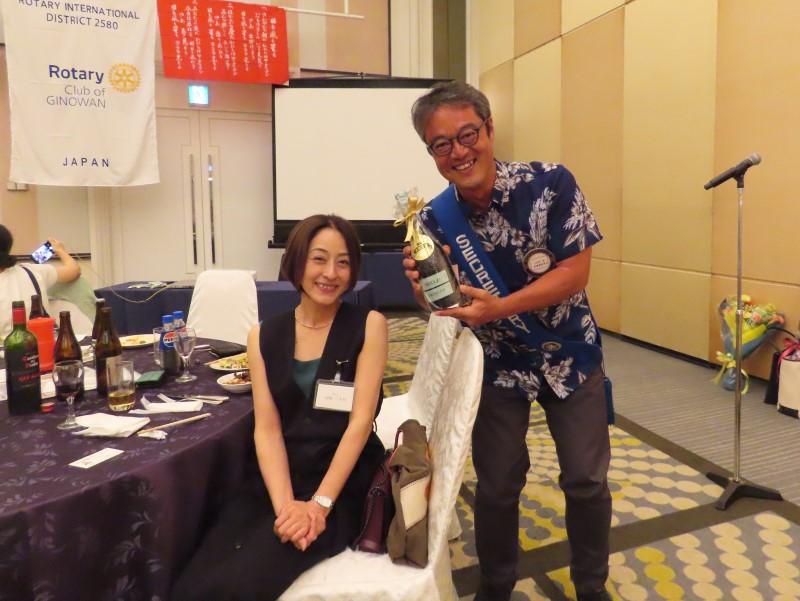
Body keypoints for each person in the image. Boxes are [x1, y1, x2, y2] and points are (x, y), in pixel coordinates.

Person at [402, 81, 612, 601]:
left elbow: (576, 272)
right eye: (441, 144)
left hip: (569, 350)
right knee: (496, 485)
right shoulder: (432, 221)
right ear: (431, 153)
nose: (458, 152)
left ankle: (591, 586)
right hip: (496, 364)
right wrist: (426, 295)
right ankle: (496, 586)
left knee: (586, 479)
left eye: (467, 134)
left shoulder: (551, 184)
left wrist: (500, 307)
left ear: (490, 129)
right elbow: (442, 304)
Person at [172, 214, 388, 601]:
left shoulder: (368, 325)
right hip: (278, 477)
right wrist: (287, 506)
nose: (331, 273)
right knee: (194, 580)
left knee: (242, 584)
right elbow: (268, 430)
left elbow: (359, 424)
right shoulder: (263, 335)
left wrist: (318, 506)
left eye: (343, 262)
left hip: (341, 482)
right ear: (297, 261)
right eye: (319, 259)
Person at [0, 224, 81, 338]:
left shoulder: (34, 271)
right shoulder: (32, 272)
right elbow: (74, 271)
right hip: (42, 345)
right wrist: (60, 250)